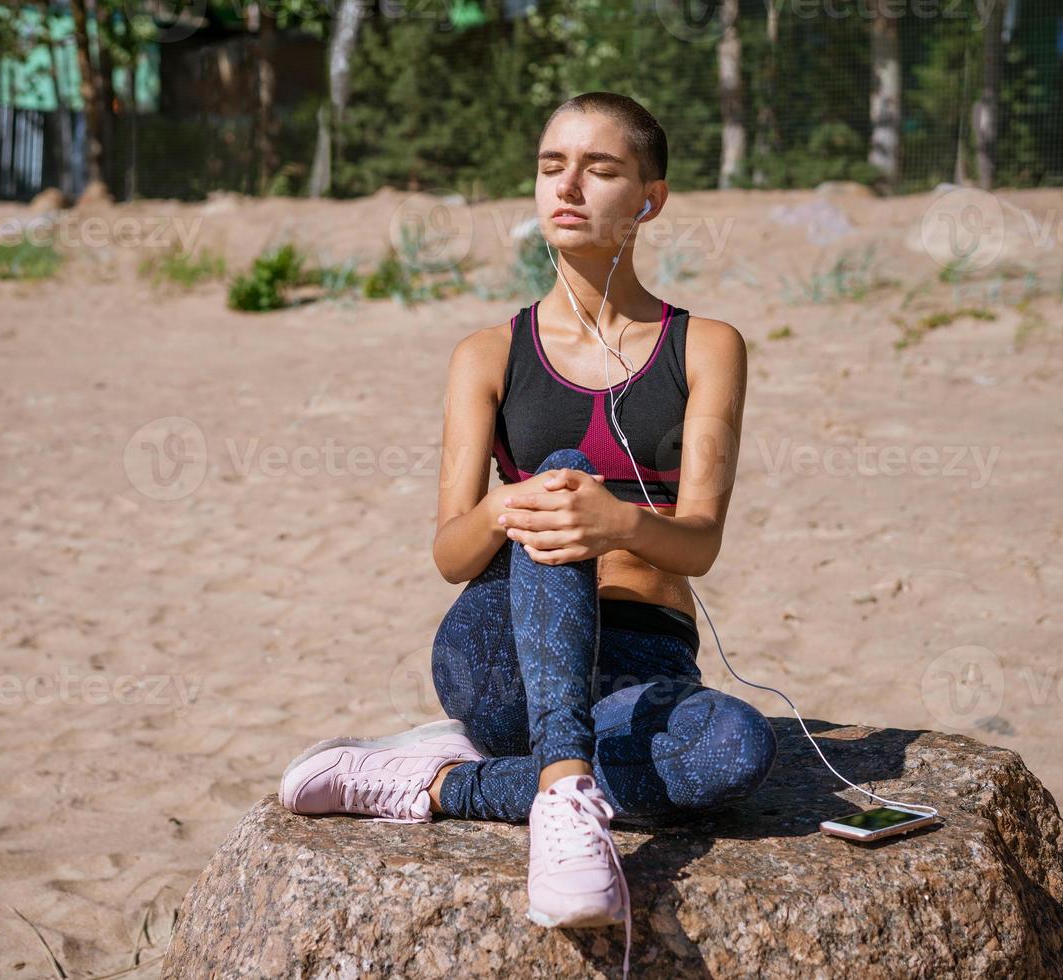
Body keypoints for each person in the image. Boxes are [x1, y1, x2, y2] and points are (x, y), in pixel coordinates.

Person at [279, 92, 778, 976]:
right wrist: (514, 506)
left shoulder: (707, 347)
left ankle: (446, 783)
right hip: (502, 650)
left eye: (601, 168)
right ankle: (562, 785)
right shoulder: (486, 353)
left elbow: (698, 542)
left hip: (644, 661)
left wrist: (619, 520)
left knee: (737, 750)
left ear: (651, 199)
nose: (569, 186)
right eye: (553, 167)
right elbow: (449, 554)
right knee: (546, 468)